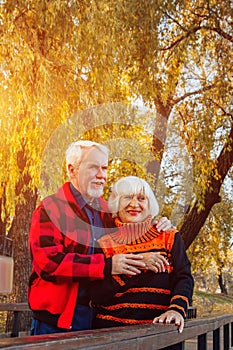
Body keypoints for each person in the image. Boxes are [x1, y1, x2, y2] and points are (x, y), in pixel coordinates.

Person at [28, 141, 172, 335]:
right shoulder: (50, 208)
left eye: (104, 168)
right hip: (56, 321)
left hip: (98, 318)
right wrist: (106, 266)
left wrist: (158, 224)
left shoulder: (107, 211)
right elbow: (48, 263)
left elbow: (132, 229)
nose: (102, 175)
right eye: (93, 167)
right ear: (72, 170)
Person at [91, 176, 194, 336]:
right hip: (111, 334)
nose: (134, 204)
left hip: (159, 332)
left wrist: (176, 310)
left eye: (141, 198)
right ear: (116, 203)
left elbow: (184, 278)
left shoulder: (168, 236)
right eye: (127, 197)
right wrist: (138, 263)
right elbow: (97, 295)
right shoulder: (104, 243)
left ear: (149, 204)